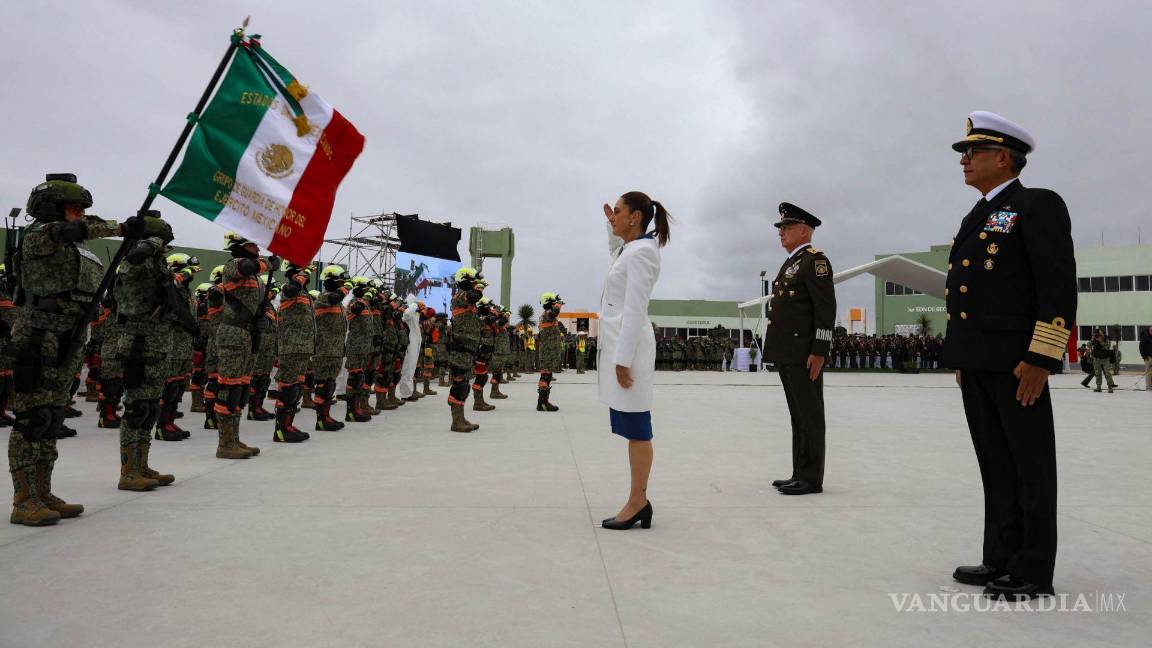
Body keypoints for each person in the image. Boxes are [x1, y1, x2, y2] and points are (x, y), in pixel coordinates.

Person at [944, 111, 1075, 600]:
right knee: (995, 463)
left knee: (1030, 465)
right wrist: (963, 356)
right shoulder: (977, 214)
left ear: (1003, 158)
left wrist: (1041, 357)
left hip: (1019, 362)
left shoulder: (1037, 205)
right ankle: (999, 555)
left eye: (972, 153)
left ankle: (1033, 568)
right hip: (978, 360)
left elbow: (1056, 287)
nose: (964, 161)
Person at [8, 174, 152, 525]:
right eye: (73, 208)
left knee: (53, 415)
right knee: (33, 416)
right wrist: (121, 226)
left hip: (69, 334)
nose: (80, 214)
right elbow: (74, 230)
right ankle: (24, 499)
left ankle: (44, 491)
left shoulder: (77, 250)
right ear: (51, 209)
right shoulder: (41, 235)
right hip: (39, 334)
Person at [598, 191, 669, 530]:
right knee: (631, 426)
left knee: (638, 427)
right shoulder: (630, 249)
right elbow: (616, 255)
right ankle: (638, 499)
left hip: (630, 349)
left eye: (620, 211)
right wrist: (609, 226)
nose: (614, 216)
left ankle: (638, 501)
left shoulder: (642, 254)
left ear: (636, 217)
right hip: (620, 347)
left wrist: (623, 359)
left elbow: (636, 308)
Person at [763, 202, 835, 496]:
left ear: (804, 230)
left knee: (810, 414)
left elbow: (825, 310)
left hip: (805, 353)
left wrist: (819, 350)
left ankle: (811, 478)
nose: (781, 233)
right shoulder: (793, 261)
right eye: (781, 228)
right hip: (788, 352)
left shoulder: (815, 262)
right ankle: (799, 471)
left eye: (787, 228)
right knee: (798, 414)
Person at [112, 214, 182, 490]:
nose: (165, 247)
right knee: (137, 406)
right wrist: (151, 241)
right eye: (163, 242)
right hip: (138, 341)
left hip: (157, 341)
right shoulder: (135, 261)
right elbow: (131, 264)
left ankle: (142, 465)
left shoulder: (156, 263)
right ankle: (128, 471)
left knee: (151, 405)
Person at [1141, 326, 1152, 391]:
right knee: (1148, 373)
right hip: (1148, 358)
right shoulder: (1145, 338)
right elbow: (1141, 348)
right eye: (1151, 330)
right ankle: (1148, 387)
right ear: (1148, 330)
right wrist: (1144, 357)